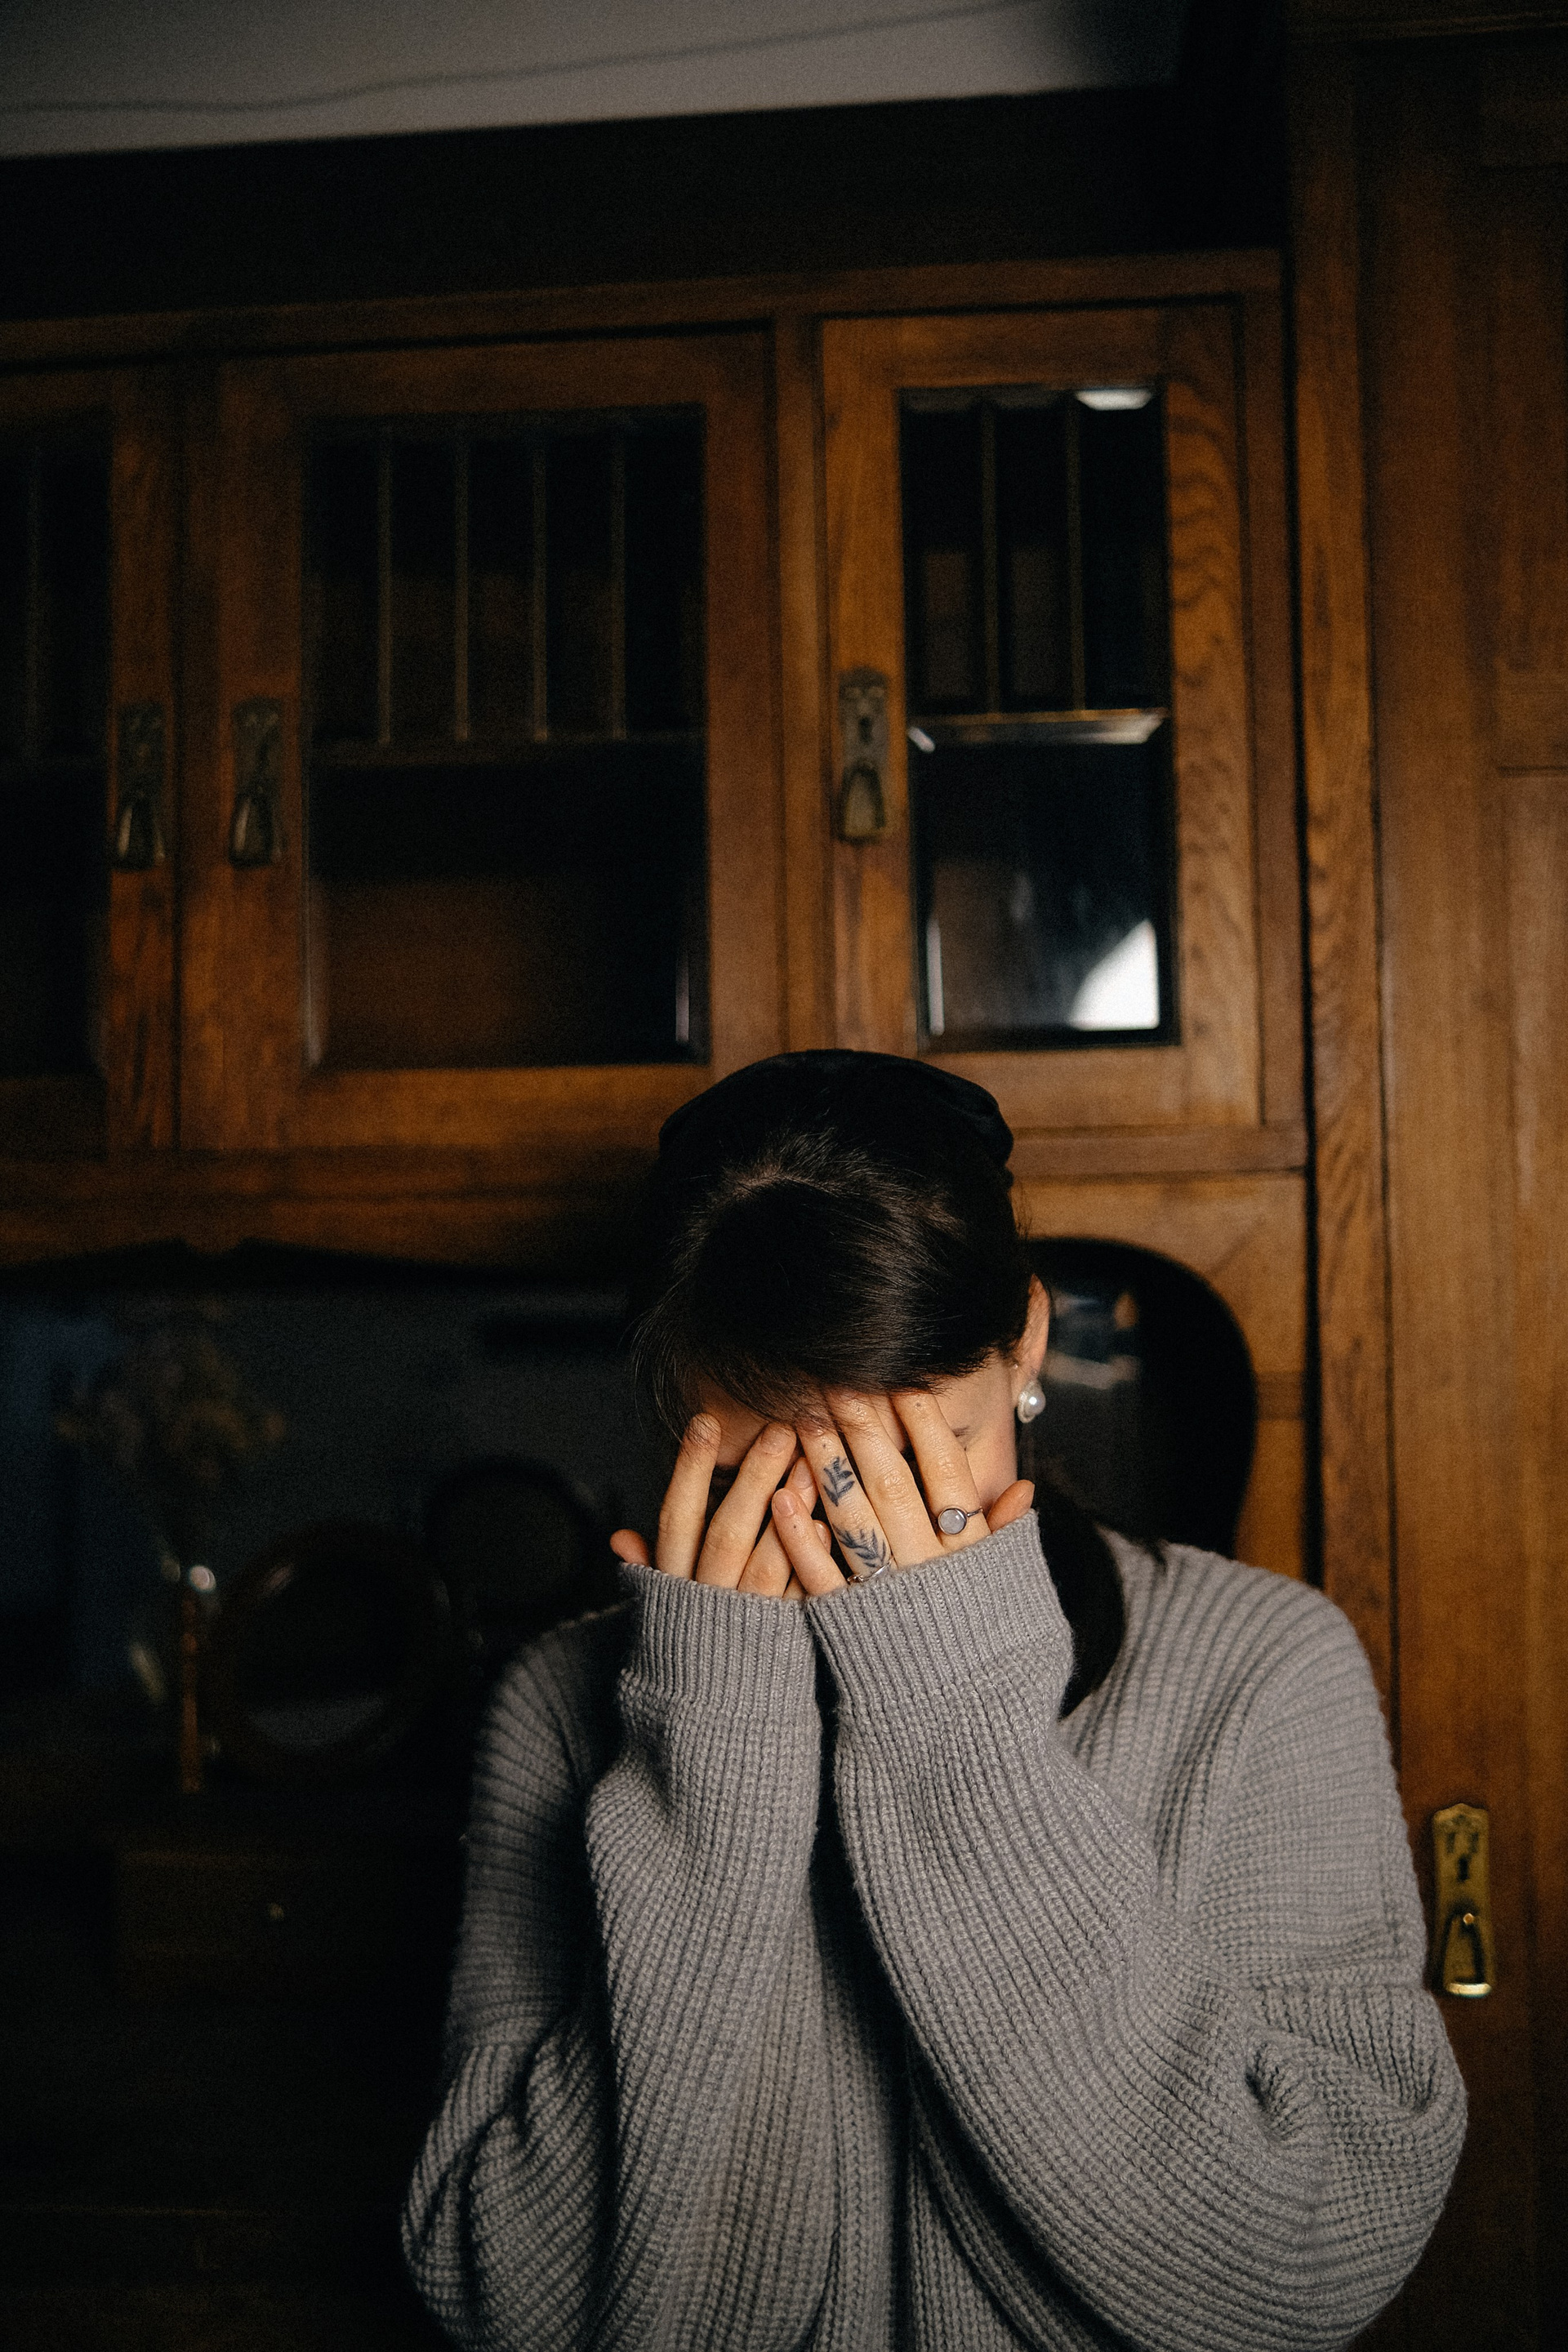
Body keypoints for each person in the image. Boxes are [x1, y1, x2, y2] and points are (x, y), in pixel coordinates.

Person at [403, 1049, 1464, 2351]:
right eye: (778, 1471)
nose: (857, 1530)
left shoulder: (1260, 1668)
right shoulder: (562, 1705)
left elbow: (1294, 2279)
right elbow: (515, 2302)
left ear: (1026, 1345)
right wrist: (706, 1767)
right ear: (676, 1407)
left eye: (923, 1452)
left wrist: (955, 1722)